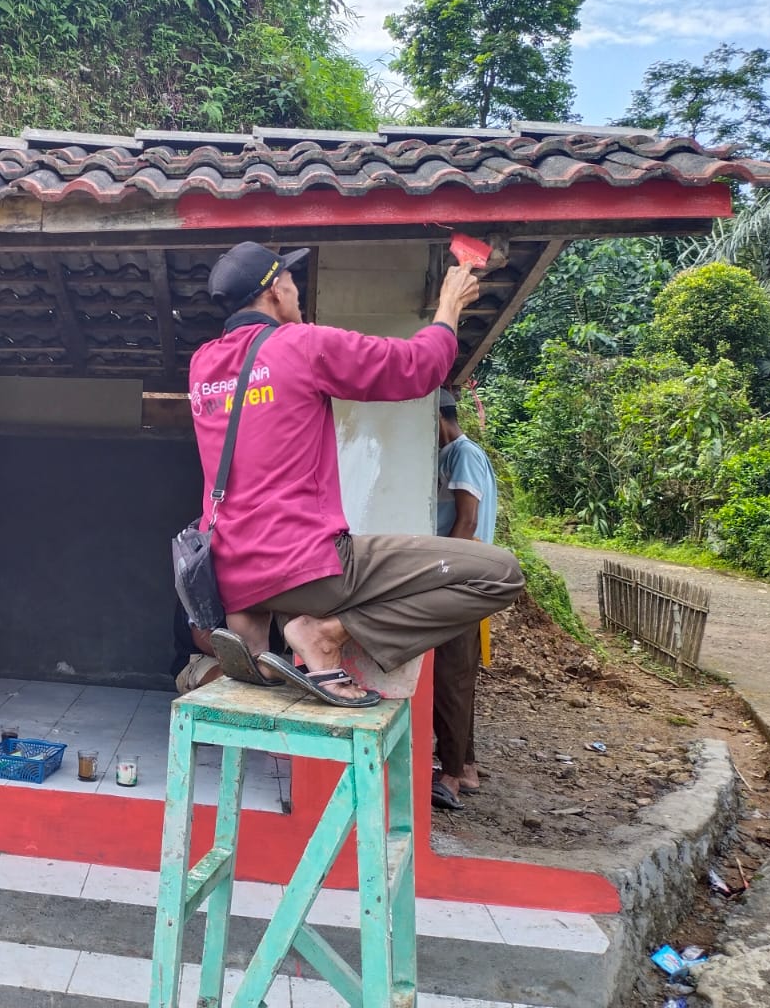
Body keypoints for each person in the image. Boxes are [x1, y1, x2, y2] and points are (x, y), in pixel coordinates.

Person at [187, 242, 524, 707]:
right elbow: (416, 367)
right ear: (274, 291)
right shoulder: (301, 346)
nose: (297, 289)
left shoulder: (203, 364)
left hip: (231, 572)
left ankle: (270, 635)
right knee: (500, 573)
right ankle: (324, 632)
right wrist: (448, 308)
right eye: (290, 280)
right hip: (303, 566)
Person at [431, 388, 500, 811]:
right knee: (456, 679)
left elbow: (467, 519)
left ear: (435, 419)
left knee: (451, 679)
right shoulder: (455, 455)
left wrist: (440, 573)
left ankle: (452, 776)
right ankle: (466, 767)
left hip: (461, 580)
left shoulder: (462, 454)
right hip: (463, 579)